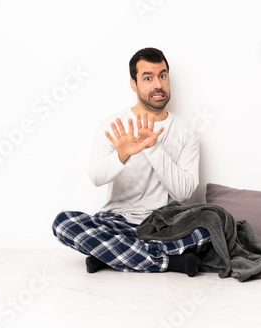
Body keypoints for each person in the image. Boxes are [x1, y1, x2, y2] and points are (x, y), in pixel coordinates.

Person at [52, 48, 212, 277]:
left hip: (163, 225)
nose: (158, 84)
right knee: (63, 223)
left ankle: (108, 255)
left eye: (163, 76)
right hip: (116, 223)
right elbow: (96, 177)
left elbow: (183, 194)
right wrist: (121, 155)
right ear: (133, 84)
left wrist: (153, 148)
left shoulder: (186, 131)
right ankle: (170, 262)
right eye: (148, 78)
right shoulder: (112, 125)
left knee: (208, 231)